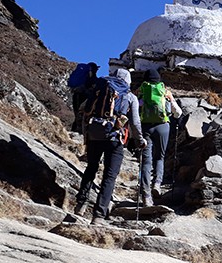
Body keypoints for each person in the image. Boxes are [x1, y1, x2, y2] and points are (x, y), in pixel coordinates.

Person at [74, 68, 145, 224]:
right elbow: (135, 122)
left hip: (94, 135)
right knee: (109, 176)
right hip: (115, 138)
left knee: (91, 168)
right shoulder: (130, 96)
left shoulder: (100, 90)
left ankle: (80, 204)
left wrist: (87, 134)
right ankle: (98, 215)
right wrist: (140, 139)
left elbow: (84, 110)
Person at [137, 68, 182, 206]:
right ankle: (157, 183)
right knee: (160, 157)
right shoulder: (165, 92)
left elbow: (136, 106)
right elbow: (177, 112)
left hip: (146, 127)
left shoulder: (142, 91)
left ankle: (146, 196)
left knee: (146, 161)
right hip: (163, 126)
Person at [70, 62, 99, 133]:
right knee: (83, 115)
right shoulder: (94, 79)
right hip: (86, 98)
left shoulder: (82, 78)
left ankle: (74, 131)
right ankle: (79, 132)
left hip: (76, 96)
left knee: (77, 114)